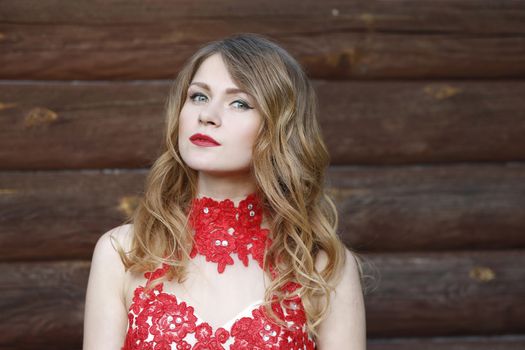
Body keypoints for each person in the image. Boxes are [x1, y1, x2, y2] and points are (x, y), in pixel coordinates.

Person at [83, 33, 366, 349]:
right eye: (199, 96)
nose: (207, 115)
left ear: (279, 130)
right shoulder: (122, 252)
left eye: (240, 102)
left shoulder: (323, 269)